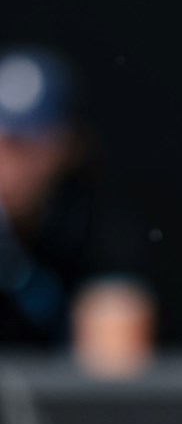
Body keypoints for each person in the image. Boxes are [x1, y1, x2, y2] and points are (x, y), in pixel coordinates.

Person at [0, 43, 157, 379]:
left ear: (66, 147)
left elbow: (113, 374)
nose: (6, 162)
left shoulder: (99, 227)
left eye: (23, 144)